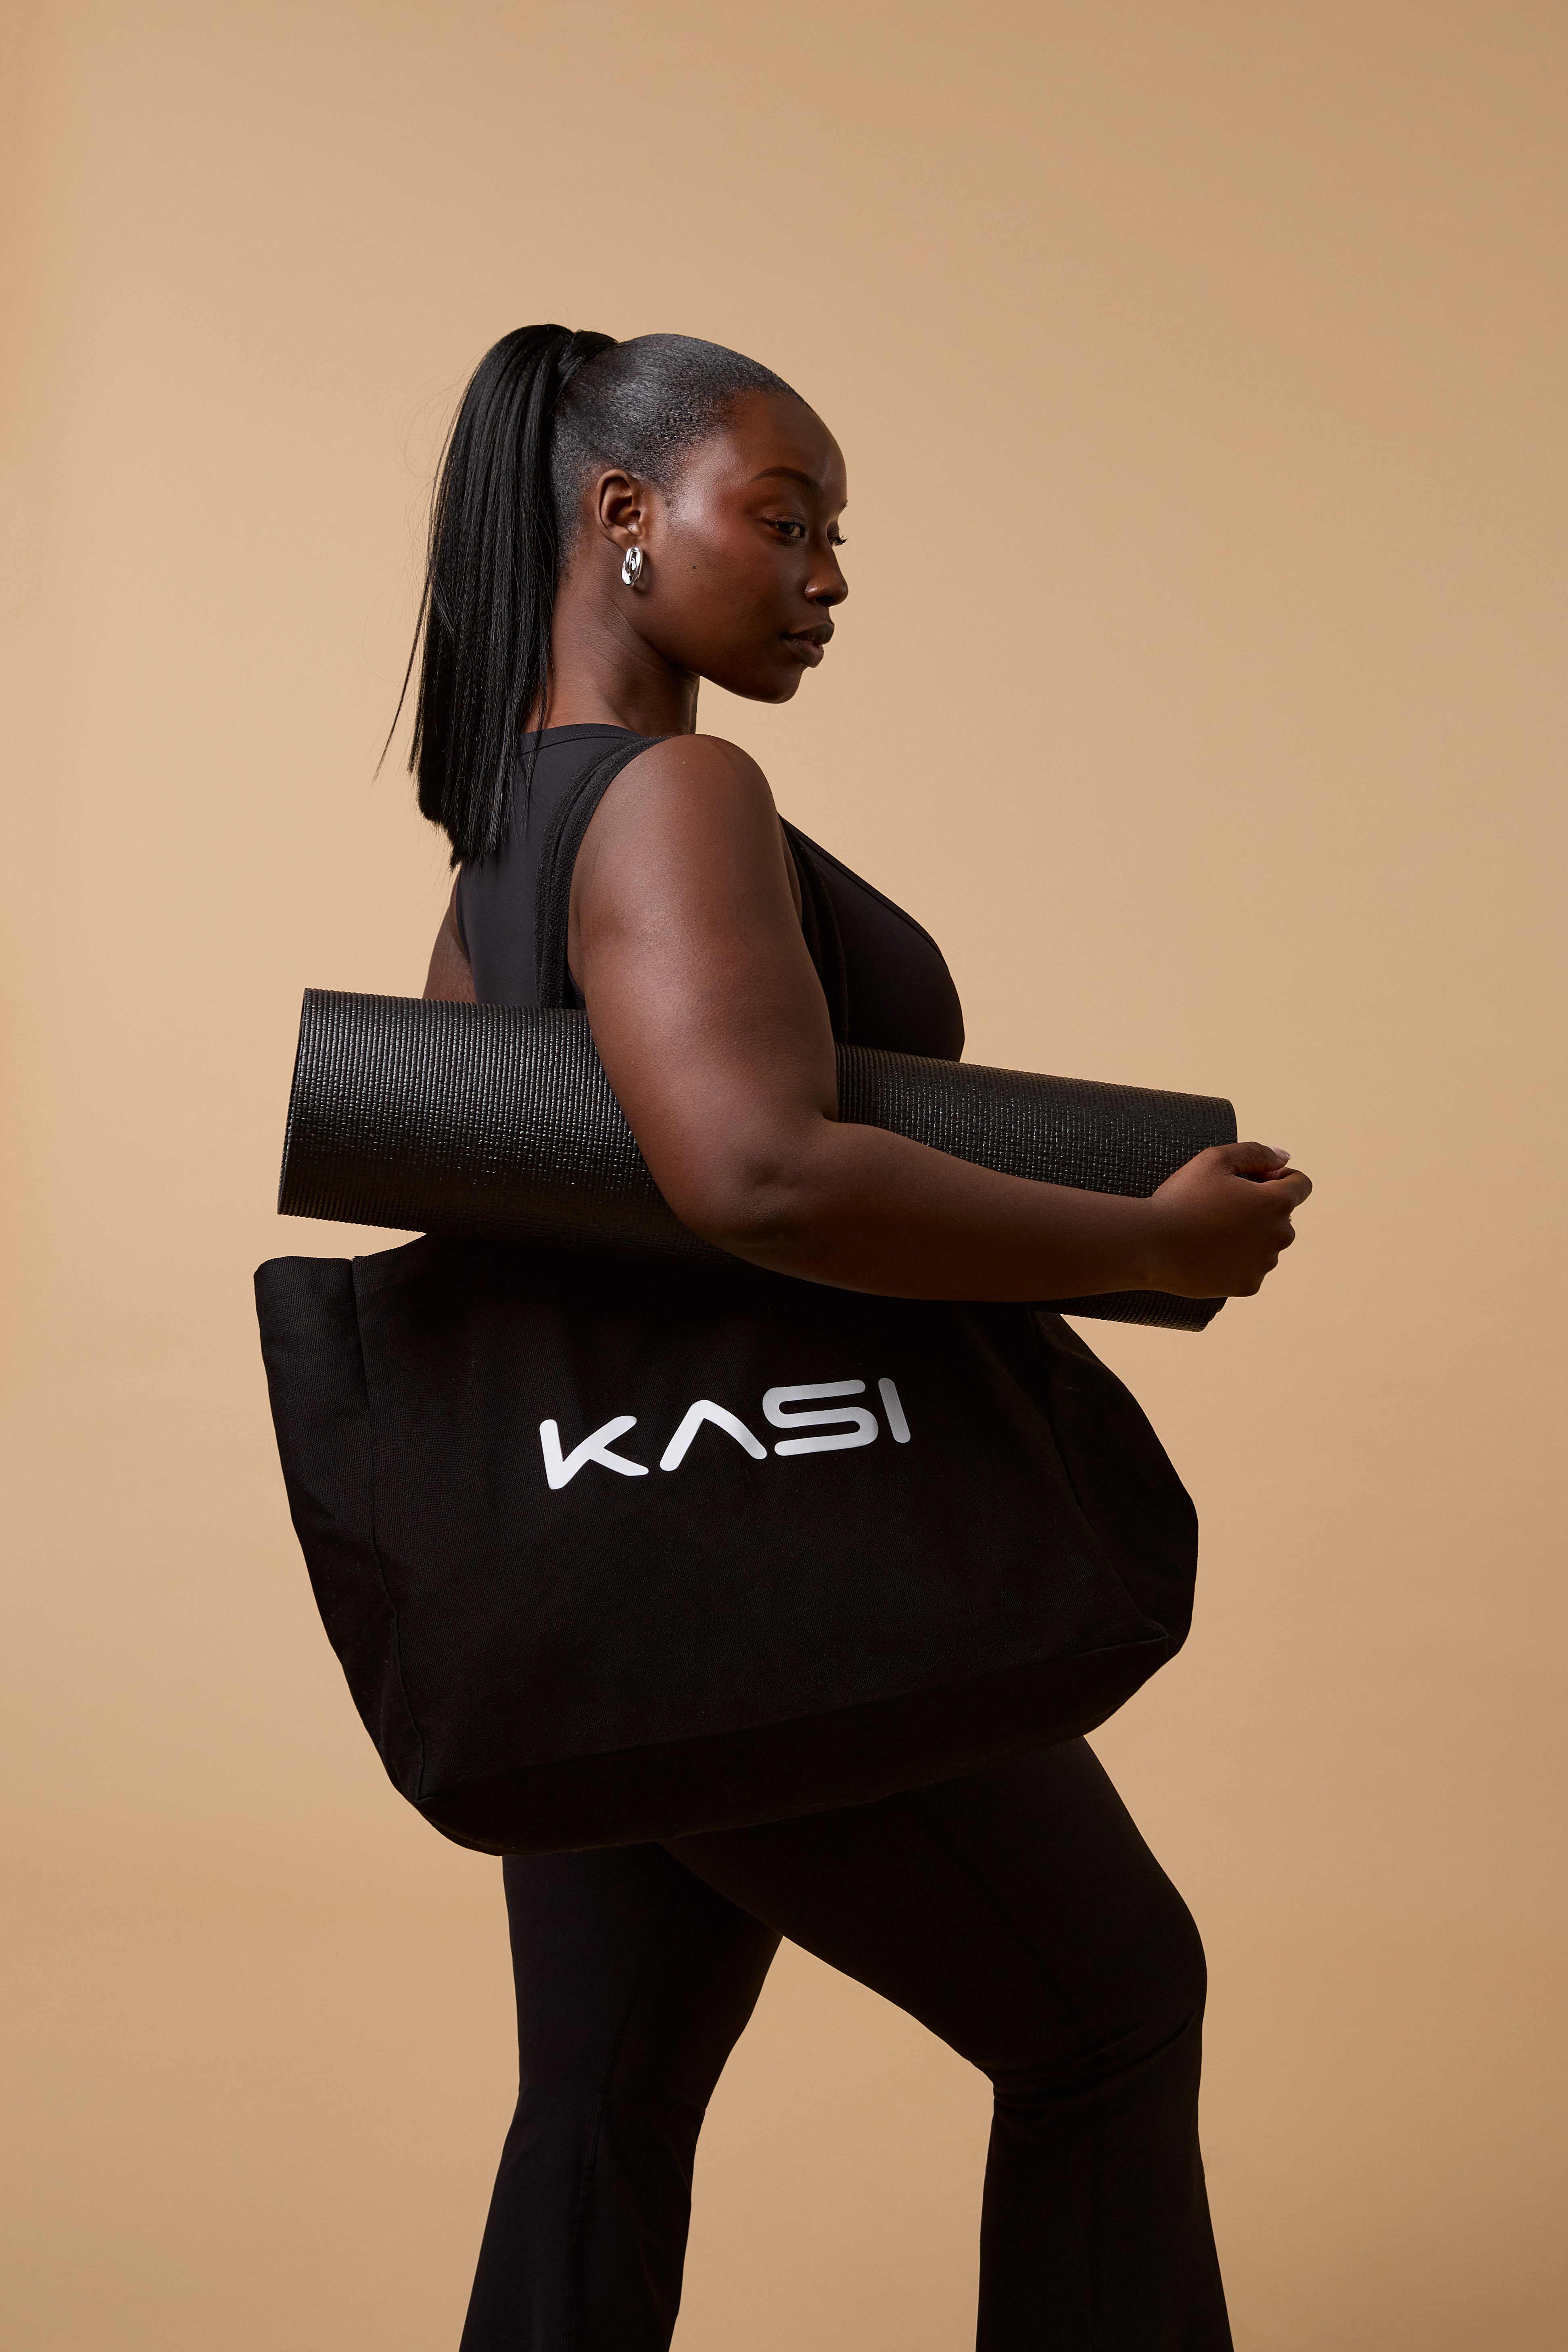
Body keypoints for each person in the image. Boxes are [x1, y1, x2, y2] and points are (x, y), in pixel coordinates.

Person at [410, 326, 1310, 2351]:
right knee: (1110, 2014)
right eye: (788, 520)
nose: (829, 577)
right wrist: (1148, 1245)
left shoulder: (500, 848)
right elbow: (758, 1173)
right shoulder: (679, 793)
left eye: (835, 536)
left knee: (600, 2110)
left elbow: (523, 1225)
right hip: (755, 1572)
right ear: (624, 516)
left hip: (597, 1576)